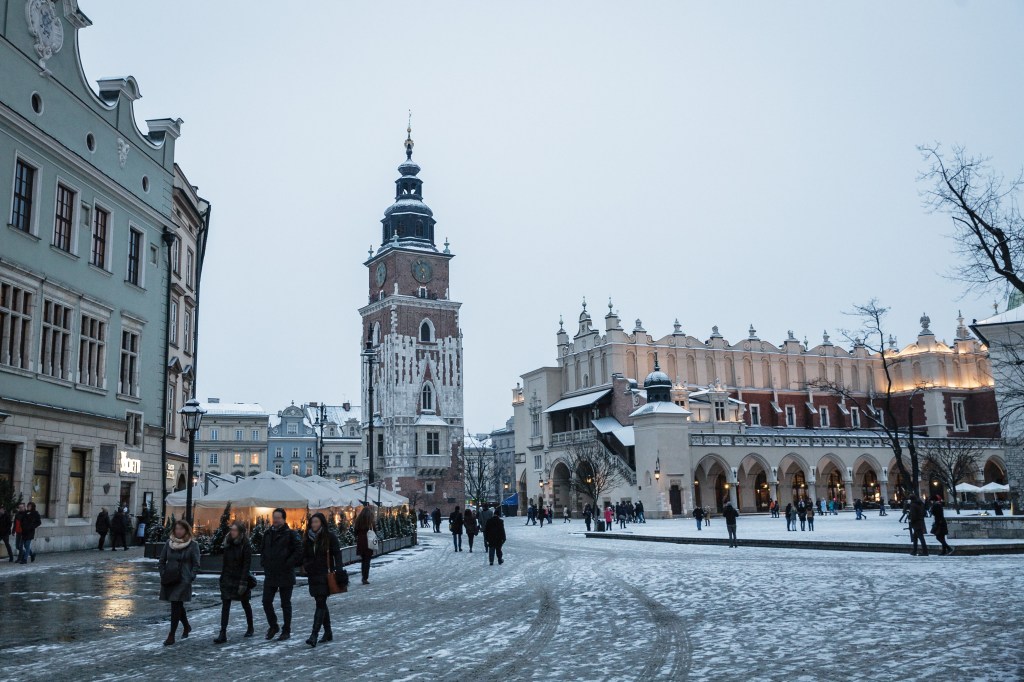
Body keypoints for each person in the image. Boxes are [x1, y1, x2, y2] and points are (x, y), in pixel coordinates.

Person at [302, 512, 343, 647]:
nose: (314, 525)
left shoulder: (329, 537)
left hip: (325, 575)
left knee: (320, 602)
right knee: (321, 603)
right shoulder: (307, 538)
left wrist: (339, 569)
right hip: (313, 575)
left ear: (322, 523)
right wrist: (306, 565)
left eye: (317, 522)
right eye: (312, 522)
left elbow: (337, 553)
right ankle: (328, 632)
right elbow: (304, 555)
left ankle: (314, 634)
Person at [261, 507, 301, 641]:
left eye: (278, 518)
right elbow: (264, 550)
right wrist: (264, 562)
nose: (276, 520)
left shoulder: (290, 534)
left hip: (285, 573)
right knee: (266, 601)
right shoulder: (268, 533)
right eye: (274, 518)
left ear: (284, 519)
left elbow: (298, 551)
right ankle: (273, 625)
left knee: (285, 604)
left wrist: (288, 563)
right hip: (271, 573)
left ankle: (286, 630)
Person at [159, 520, 201, 646]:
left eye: (181, 529)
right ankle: (187, 626)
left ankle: (171, 635)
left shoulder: (193, 545)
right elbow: (161, 560)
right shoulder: (169, 543)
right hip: (170, 578)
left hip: (184, 578)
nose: (178, 531)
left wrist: (191, 576)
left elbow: (196, 563)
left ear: (186, 530)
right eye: (177, 529)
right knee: (177, 604)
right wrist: (163, 573)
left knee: (175, 604)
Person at [214, 521, 255, 644]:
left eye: (235, 530)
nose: (232, 532)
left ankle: (250, 627)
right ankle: (223, 632)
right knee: (225, 605)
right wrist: (222, 578)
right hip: (227, 578)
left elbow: (246, 565)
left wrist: (243, 582)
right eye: (231, 529)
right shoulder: (228, 543)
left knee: (245, 603)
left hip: (240, 578)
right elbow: (225, 563)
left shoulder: (245, 545)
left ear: (241, 532)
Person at [354, 506, 377, 584]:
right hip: (369, 542)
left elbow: (355, 532)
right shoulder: (370, 521)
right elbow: (375, 531)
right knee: (367, 560)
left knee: (363, 560)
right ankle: (365, 577)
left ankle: (363, 576)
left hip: (361, 542)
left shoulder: (358, 521)